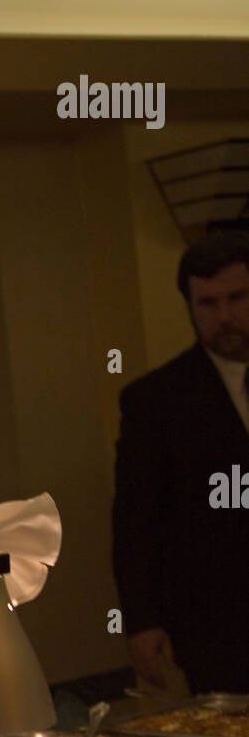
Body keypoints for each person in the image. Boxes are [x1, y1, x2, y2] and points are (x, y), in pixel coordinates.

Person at [112, 230, 249, 692]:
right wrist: (143, 621)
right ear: (190, 307)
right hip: (218, 619)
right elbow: (136, 520)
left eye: (236, 298)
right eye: (207, 304)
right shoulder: (156, 401)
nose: (225, 316)